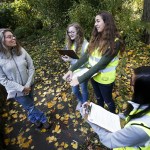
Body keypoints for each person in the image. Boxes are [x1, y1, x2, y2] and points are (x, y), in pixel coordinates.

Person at [63, 11, 125, 113]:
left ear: (107, 22)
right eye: (95, 21)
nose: (95, 24)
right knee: (98, 98)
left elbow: (101, 64)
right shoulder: (97, 37)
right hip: (94, 76)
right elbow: (86, 56)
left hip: (105, 79)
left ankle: (113, 118)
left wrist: (80, 79)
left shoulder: (115, 42)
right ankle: (99, 116)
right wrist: (71, 69)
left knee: (108, 100)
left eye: (98, 21)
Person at [81, 66, 150, 150]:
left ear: (142, 90)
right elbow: (130, 115)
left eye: (132, 82)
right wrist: (111, 116)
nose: (130, 85)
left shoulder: (140, 130)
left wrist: (90, 119)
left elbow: (109, 140)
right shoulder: (144, 104)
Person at [0, 28, 51, 129]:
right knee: (30, 106)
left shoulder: (21, 50)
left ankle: (33, 119)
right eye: (9, 37)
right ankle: (43, 119)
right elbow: (3, 80)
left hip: (29, 84)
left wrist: (27, 85)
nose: (13, 38)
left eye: (13, 36)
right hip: (16, 91)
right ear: (2, 41)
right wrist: (21, 88)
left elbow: (31, 67)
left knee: (30, 105)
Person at [62, 23, 89, 111]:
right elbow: (67, 53)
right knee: (74, 91)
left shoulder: (85, 44)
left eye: (73, 32)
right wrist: (64, 57)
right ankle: (82, 101)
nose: (70, 34)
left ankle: (85, 106)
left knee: (83, 89)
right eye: (69, 32)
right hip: (73, 71)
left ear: (78, 31)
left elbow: (86, 61)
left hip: (83, 71)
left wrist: (71, 60)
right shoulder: (70, 43)